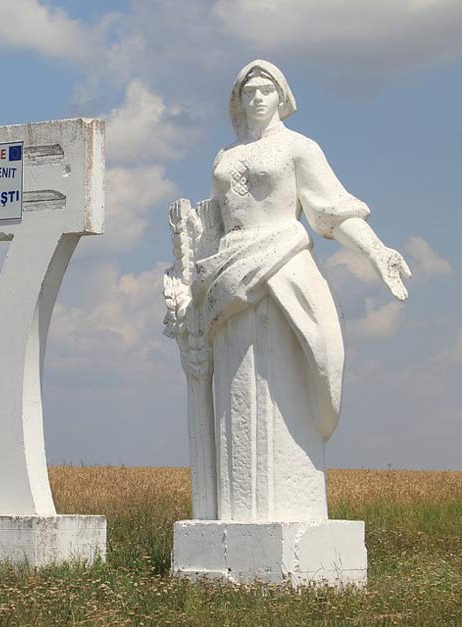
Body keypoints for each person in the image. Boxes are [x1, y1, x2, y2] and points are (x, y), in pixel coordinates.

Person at [164, 60, 410, 521]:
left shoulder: (299, 148)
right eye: (248, 91)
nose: (256, 98)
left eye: (265, 90)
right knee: (235, 383)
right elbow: (216, 220)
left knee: (287, 377)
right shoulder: (224, 156)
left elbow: (330, 213)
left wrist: (377, 251)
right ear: (237, 101)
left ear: (282, 97)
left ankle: (289, 501)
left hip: (281, 265)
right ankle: (235, 512)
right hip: (228, 271)